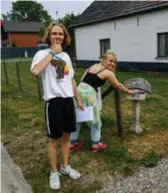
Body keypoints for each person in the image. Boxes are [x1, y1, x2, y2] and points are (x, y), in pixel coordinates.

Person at [30, 22, 84, 190]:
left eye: (60, 34)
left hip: (68, 101)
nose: (58, 36)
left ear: (64, 36)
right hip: (53, 102)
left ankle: (65, 166)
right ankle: (54, 172)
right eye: (54, 33)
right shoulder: (42, 53)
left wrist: (78, 99)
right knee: (54, 139)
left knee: (67, 137)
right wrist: (53, 53)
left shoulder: (66, 56)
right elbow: (36, 71)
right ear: (49, 35)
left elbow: (70, 79)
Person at [70, 50, 140, 152]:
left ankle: (72, 143)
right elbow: (117, 84)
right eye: (110, 61)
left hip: (78, 92)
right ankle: (96, 144)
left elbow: (82, 78)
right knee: (95, 121)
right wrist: (128, 91)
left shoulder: (93, 66)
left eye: (114, 62)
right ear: (104, 59)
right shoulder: (107, 73)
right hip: (89, 96)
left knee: (78, 119)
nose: (112, 63)